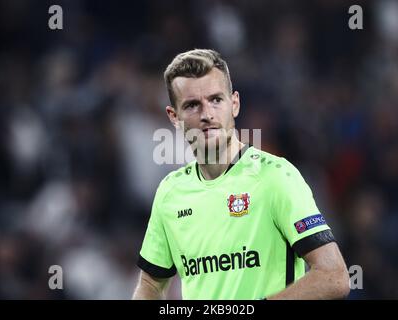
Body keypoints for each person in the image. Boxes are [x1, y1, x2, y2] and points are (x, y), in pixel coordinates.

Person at [132, 49, 350, 300]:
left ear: (234, 104)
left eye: (216, 100)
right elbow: (150, 284)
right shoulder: (170, 192)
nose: (207, 114)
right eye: (192, 105)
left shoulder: (275, 177)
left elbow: (333, 275)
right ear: (174, 116)